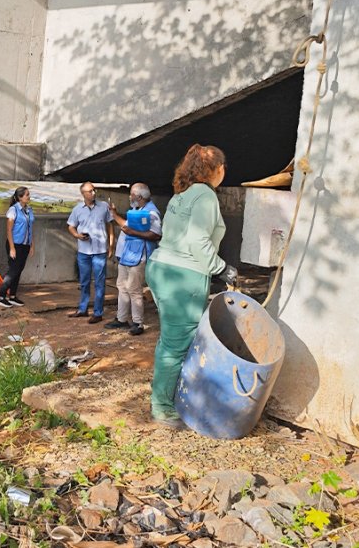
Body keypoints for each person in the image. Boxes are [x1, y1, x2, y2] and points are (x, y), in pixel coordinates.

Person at [146, 144, 238, 429]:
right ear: (217, 170)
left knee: (170, 341)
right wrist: (222, 268)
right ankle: (162, 408)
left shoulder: (182, 194)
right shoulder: (206, 196)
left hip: (160, 267)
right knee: (176, 345)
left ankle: (167, 396)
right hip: (183, 276)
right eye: (224, 168)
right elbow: (199, 242)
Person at [106, 183, 162, 336]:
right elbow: (128, 226)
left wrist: (131, 231)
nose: (130, 197)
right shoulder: (137, 210)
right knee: (122, 286)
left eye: (132, 194)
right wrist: (116, 216)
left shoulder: (152, 213)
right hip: (128, 254)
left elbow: (156, 234)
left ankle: (138, 323)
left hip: (139, 255)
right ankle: (121, 319)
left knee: (134, 289)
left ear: (139, 197)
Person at [66, 182, 114, 323]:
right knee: (84, 281)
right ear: (83, 194)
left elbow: (110, 225)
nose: (93, 193)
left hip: (99, 251)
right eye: (89, 191)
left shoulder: (104, 206)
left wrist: (111, 246)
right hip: (84, 251)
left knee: (99, 282)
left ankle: (98, 313)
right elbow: (71, 226)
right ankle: (83, 309)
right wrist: (77, 235)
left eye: (94, 190)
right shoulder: (77, 209)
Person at [0, 187, 35, 308]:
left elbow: (30, 229)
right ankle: (1, 296)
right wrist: (12, 247)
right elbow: (9, 230)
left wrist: (31, 245)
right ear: (20, 197)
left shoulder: (28, 210)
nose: (29, 197)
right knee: (13, 271)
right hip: (15, 244)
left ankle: (12, 296)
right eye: (27, 195)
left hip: (25, 244)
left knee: (19, 270)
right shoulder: (13, 210)